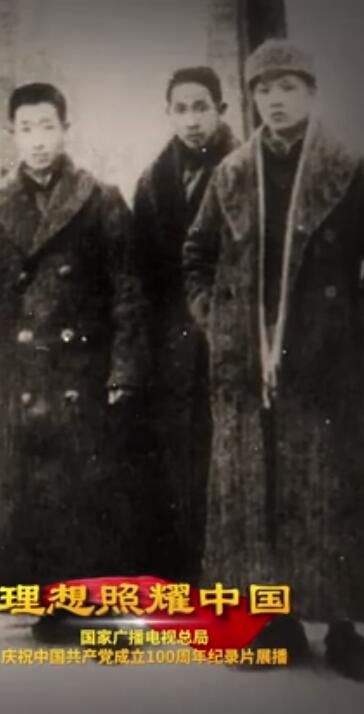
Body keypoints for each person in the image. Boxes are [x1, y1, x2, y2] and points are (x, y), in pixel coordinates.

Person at [183, 39, 364, 680]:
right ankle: (275, 621)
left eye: (287, 87)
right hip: (247, 366)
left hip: (325, 362)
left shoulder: (347, 169)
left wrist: (348, 331)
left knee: (329, 492)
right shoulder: (232, 173)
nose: (275, 101)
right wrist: (217, 321)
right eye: (263, 89)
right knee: (257, 496)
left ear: (311, 93)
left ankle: (344, 628)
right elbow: (196, 255)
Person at [0, 83, 149, 643]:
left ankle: (94, 610)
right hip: (22, 375)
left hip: (83, 372)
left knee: (87, 494)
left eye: (47, 127)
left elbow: (129, 291)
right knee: (30, 497)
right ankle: (45, 606)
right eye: (26, 129)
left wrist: (124, 369)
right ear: (12, 135)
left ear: (65, 130)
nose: (37, 141)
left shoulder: (100, 200)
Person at [131, 66, 239, 583]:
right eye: (181, 109)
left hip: (229, 332)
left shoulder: (243, 169)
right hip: (172, 344)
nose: (192, 120)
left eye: (202, 107)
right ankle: (186, 573)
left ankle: (234, 574)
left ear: (221, 110)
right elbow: (141, 272)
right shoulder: (154, 181)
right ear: (167, 113)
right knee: (180, 458)